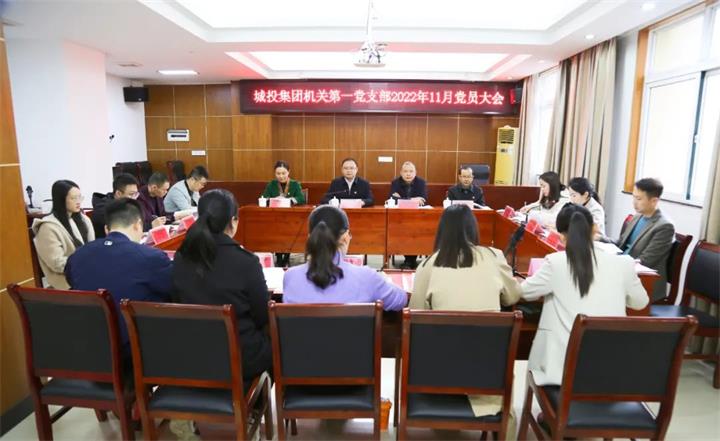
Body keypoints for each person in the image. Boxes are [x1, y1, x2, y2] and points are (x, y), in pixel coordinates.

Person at [520, 204, 648, 386]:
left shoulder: (556, 262)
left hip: (562, 370)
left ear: (561, 236)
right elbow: (640, 302)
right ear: (594, 228)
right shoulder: (623, 264)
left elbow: (524, 292)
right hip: (611, 367)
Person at [172, 189, 272, 382]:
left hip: (191, 355)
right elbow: (262, 315)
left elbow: (176, 299)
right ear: (233, 221)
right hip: (240, 358)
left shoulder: (181, 257)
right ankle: (259, 395)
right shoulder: (246, 262)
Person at [65, 198, 173, 350]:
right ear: (138, 225)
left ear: (107, 229)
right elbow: (173, 289)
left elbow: (71, 281)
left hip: (86, 344)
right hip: (134, 348)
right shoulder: (151, 257)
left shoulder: (78, 255)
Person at [283, 205, 407, 310]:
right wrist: (383, 281)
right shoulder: (367, 277)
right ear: (345, 237)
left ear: (310, 237)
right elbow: (401, 300)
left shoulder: (290, 277)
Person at [410, 204, 521, 311]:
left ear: (442, 231)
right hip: (490, 324)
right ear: (473, 229)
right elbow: (512, 297)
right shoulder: (494, 256)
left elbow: (416, 310)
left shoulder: (427, 264)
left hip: (444, 325)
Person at [616, 178, 675, 301]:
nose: (634, 203)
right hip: (626, 270)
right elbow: (620, 243)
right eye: (633, 197)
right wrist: (599, 238)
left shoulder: (665, 226)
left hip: (643, 282)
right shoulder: (637, 216)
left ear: (654, 201)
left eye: (638, 199)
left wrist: (616, 264)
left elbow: (646, 261)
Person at [32, 180, 95, 289]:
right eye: (73, 198)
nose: (78, 202)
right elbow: (57, 264)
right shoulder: (48, 227)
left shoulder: (84, 219)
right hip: (67, 283)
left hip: (86, 275)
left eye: (80, 197)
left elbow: (93, 249)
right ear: (61, 200)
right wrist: (86, 264)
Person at [262, 160, 305, 268]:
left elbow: (301, 199)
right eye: (278, 173)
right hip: (275, 217)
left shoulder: (295, 184)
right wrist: (274, 199)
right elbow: (264, 198)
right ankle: (279, 256)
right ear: (274, 173)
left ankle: (286, 256)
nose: (281, 176)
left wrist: (290, 200)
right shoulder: (271, 184)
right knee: (276, 230)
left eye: (283, 173)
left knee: (287, 231)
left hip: (291, 218)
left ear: (288, 172)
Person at [389, 161, 428, 269]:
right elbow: (392, 199)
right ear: (401, 173)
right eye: (405, 171)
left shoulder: (421, 182)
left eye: (411, 171)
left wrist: (402, 199)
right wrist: (412, 200)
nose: (408, 174)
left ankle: (410, 260)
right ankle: (409, 260)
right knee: (402, 230)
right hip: (400, 216)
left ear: (415, 173)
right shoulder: (395, 183)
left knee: (416, 230)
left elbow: (424, 200)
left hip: (418, 216)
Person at [90, 173, 139, 238]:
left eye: (136, 194)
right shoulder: (103, 209)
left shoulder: (127, 204)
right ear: (118, 193)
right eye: (131, 194)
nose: (134, 198)